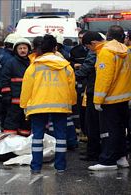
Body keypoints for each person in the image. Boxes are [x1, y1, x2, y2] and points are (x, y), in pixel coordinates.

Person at [20, 34, 76, 173]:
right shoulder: (66, 66)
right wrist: (72, 103)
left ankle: (36, 166)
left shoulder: (34, 66)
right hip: (60, 105)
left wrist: (24, 105)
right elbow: (71, 87)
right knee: (61, 137)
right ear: (55, 48)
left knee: (37, 137)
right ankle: (60, 167)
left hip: (38, 105)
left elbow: (26, 88)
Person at [88, 25, 131, 171]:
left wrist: (98, 100)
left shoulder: (106, 51)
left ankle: (108, 161)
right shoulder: (126, 50)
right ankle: (121, 157)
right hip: (124, 97)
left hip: (110, 99)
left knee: (109, 130)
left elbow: (104, 78)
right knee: (120, 129)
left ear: (107, 35)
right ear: (122, 37)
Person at [77, 31, 105, 161]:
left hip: (95, 93)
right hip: (109, 95)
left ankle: (93, 153)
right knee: (105, 126)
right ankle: (103, 152)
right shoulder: (116, 49)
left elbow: (85, 69)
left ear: (93, 43)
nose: (88, 50)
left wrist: (70, 76)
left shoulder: (97, 51)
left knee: (92, 125)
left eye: (88, 47)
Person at [0, 37, 32, 136]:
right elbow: (4, 80)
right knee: (11, 123)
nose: (22, 50)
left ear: (28, 49)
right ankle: (10, 143)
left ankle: (23, 144)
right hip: (14, 101)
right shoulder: (10, 63)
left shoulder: (32, 63)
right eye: (20, 48)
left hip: (28, 101)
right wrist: (7, 95)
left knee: (25, 124)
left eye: (24, 48)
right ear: (16, 50)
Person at [0, 33, 22, 126]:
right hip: (6, 93)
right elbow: (6, 77)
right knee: (8, 119)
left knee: (4, 117)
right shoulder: (10, 59)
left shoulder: (3, 55)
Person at [69, 30, 89, 139]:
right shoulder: (75, 51)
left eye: (83, 37)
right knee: (78, 107)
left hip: (88, 81)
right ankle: (79, 129)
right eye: (80, 37)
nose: (82, 40)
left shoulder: (93, 51)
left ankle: (86, 131)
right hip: (78, 81)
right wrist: (74, 65)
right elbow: (69, 63)